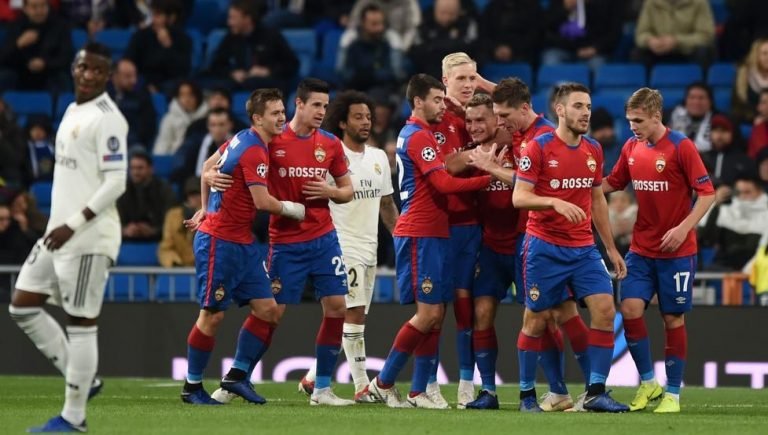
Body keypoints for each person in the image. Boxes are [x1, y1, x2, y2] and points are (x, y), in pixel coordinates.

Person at [208, 78, 356, 406]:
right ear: (298, 105)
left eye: (325, 106)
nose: (322, 111)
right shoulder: (270, 140)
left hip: (324, 239)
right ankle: (235, 378)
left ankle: (322, 389)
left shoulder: (330, 144)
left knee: (338, 308)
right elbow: (218, 163)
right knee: (271, 313)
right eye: (316, 104)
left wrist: (330, 192)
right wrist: (207, 176)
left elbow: (348, 191)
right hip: (285, 242)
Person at [8, 42, 128, 432]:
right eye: (83, 67)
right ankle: (84, 379)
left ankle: (73, 417)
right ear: (74, 69)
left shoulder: (109, 118)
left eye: (96, 70)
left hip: (87, 237)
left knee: (80, 322)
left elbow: (116, 182)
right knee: (22, 304)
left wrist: (71, 224)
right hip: (56, 233)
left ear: (107, 76)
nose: (88, 74)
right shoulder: (74, 109)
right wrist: (56, 225)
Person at [367, 74, 491, 409]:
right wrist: (489, 176)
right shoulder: (418, 136)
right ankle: (384, 382)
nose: (442, 104)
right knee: (429, 314)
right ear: (419, 101)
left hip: (434, 232)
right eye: (437, 99)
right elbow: (445, 185)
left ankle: (418, 389)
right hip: (421, 232)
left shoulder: (420, 135)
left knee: (434, 314)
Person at [470, 78, 592, 412]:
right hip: (502, 241)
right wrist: (473, 83)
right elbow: (509, 95)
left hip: (539, 238)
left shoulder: (542, 137)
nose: (500, 121)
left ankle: (576, 388)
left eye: (504, 114)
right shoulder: (519, 131)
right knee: (543, 313)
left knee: (553, 313)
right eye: (496, 114)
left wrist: (493, 169)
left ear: (525, 109)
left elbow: (527, 186)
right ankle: (510, 391)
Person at [179, 88, 307, 406]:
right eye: (276, 113)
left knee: (269, 310)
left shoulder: (242, 138)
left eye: (283, 111)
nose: (282, 118)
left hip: (243, 242)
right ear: (257, 118)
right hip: (219, 242)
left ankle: (236, 377)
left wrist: (206, 205)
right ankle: (192, 387)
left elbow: (208, 166)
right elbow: (262, 201)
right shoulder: (252, 150)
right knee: (212, 317)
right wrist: (294, 209)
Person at [512, 83, 628, 413]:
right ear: (560, 110)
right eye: (578, 106)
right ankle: (526, 397)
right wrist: (553, 202)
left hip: (583, 248)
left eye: (588, 106)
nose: (586, 112)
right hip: (544, 247)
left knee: (605, 309)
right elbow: (519, 197)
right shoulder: (538, 147)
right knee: (535, 320)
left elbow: (596, 199)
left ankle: (594, 393)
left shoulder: (593, 150)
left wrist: (611, 248)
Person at [603, 87, 716, 413]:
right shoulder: (631, 147)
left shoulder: (682, 147)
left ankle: (674, 394)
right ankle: (649, 382)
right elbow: (614, 181)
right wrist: (581, 185)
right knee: (631, 308)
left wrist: (683, 228)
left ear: (656, 116)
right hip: (642, 248)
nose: (632, 127)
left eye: (638, 120)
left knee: (672, 317)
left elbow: (707, 194)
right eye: (629, 121)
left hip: (678, 252)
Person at [297, 90, 399, 402]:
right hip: (341, 245)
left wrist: (402, 238)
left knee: (351, 319)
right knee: (353, 316)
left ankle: (312, 379)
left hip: (369, 248)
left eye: (368, 116)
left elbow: (386, 205)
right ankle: (361, 387)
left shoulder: (379, 157)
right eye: (358, 117)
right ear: (342, 121)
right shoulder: (329, 155)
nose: (366, 122)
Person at [430, 52, 493, 409]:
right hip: (439, 225)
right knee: (434, 310)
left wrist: (482, 81)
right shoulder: (436, 119)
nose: (469, 86)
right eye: (462, 80)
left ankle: (467, 382)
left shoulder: (481, 114)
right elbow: (444, 170)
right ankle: (427, 383)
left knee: (466, 309)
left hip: (470, 226)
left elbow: (517, 98)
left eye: (473, 78)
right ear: (445, 82)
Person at [458, 93, 513, 410]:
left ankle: (552, 391)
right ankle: (489, 391)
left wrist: (491, 165)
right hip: (490, 247)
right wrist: (474, 158)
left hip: (522, 243)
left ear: (497, 119)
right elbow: (448, 166)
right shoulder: (470, 153)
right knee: (481, 315)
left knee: (543, 317)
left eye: (481, 119)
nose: (474, 126)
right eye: (469, 121)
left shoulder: (517, 147)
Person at [157, 177, 202, 268]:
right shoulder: (173, 216)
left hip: (206, 269)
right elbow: (166, 248)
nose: (193, 197)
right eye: (190, 194)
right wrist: (175, 264)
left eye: (197, 193)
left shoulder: (214, 215)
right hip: (181, 269)